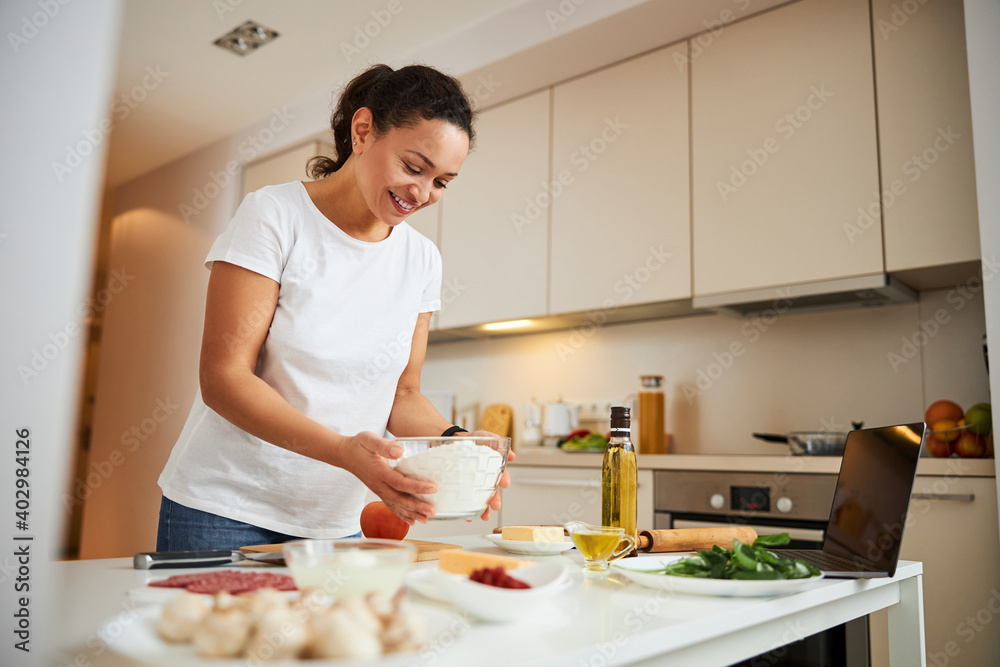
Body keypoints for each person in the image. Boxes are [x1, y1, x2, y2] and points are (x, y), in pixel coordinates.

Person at [156, 64, 511, 552]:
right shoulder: (275, 216)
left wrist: (458, 446)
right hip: (225, 508)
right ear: (362, 131)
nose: (424, 194)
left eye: (443, 181)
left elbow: (402, 394)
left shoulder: (422, 259)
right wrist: (345, 452)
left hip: (331, 521)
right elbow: (224, 378)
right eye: (413, 167)